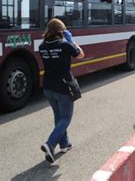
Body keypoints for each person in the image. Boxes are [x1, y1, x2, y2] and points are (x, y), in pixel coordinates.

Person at [38, 18, 84, 163]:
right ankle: (50, 144)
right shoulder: (65, 45)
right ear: (62, 31)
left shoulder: (42, 46)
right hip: (63, 86)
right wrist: (72, 41)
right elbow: (81, 55)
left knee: (59, 116)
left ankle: (64, 144)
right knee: (66, 118)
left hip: (48, 87)